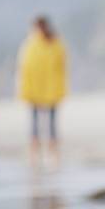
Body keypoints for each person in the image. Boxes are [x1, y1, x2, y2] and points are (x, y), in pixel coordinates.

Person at [16, 16, 67, 163]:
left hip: (51, 88)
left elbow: (61, 67)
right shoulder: (30, 44)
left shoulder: (56, 43)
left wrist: (59, 87)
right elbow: (24, 69)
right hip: (34, 89)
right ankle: (34, 156)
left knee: (51, 125)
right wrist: (24, 90)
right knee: (34, 125)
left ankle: (53, 154)